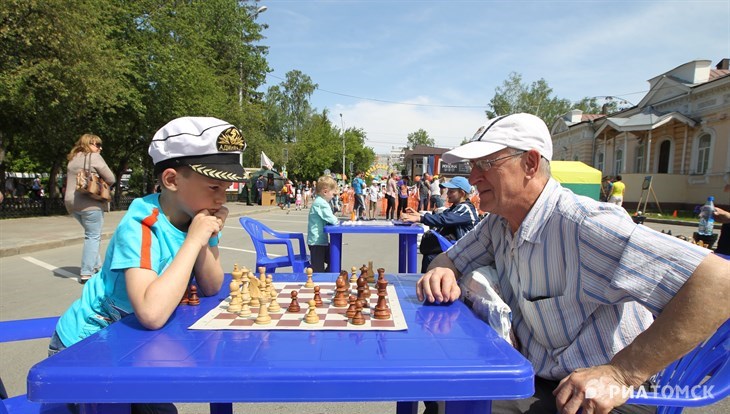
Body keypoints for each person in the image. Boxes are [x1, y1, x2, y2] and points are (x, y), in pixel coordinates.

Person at [416, 113, 729, 414]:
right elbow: (450, 258)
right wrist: (443, 269)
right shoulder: (499, 222)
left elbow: (720, 282)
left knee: (456, 402)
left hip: (603, 399)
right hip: (543, 381)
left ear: (530, 163)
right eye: (472, 166)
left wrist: (620, 374)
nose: (473, 177)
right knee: (442, 390)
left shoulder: (585, 226)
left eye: (485, 164)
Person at [51, 117, 243, 413]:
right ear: (171, 180)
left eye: (227, 187)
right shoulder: (141, 223)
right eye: (214, 186)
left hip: (133, 343)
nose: (223, 197)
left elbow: (211, 285)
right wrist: (193, 242)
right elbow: (151, 314)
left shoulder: (197, 215)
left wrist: (204, 239)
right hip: (87, 346)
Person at [64, 134, 116, 284]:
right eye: (97, 144)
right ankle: (86, 272)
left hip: (72, 204)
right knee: (93, 237)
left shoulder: (73, 159)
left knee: (91, 235)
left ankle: (98, 266)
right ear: (89, 143)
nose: (100, 148)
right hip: (90, 202)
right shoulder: (94, 157)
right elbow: (111, 178)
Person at [402, 176, 479, 272]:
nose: (448, 194)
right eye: (448, 191)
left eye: (451, 191)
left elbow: (444, 219)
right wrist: (419, 214)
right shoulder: (455, 207)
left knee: (431, 259)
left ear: (462, 193)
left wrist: (420, 218)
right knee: (430, 256)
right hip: (457, 250)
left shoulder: (465, 208)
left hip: (466, 254)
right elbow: (441, 216)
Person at [308, 175, 340, 272]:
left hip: (321, 241)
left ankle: (327, 276)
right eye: (333, 194)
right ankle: (320, 281)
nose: (333, 196)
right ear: (325, 191)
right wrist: (337, 221)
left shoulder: (321, 201)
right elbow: (332, 219)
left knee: (335, 259)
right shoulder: (321, 203)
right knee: (318, 269)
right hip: (317, 242)